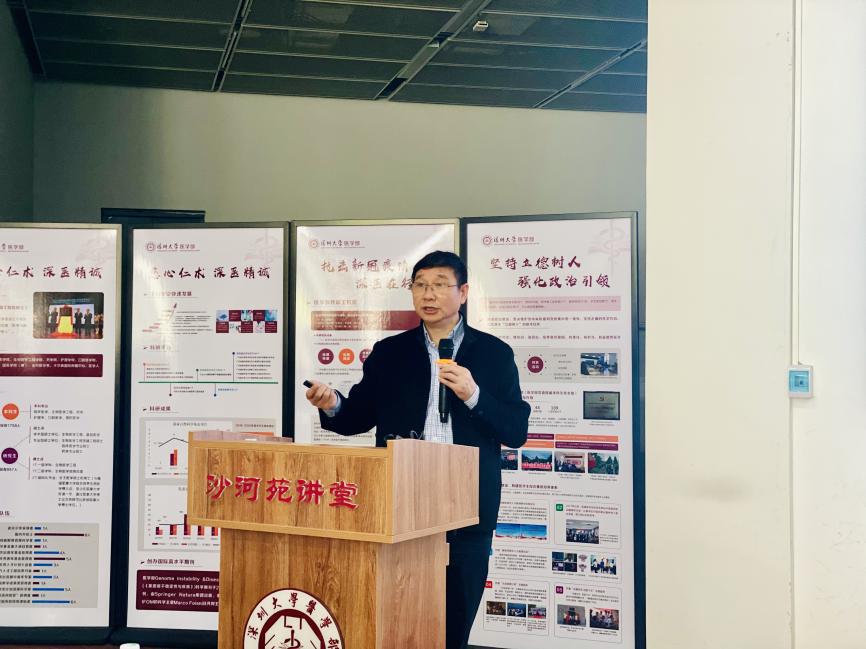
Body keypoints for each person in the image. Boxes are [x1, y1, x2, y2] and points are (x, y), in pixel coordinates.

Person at [305, 250, 529, 649]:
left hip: (466, 506)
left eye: (440, 285)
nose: (429, 294)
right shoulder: (390, 353)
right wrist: (332, 403)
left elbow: (516, 430)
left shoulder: (494, 354)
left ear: (463, 293)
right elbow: (358, 416)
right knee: (396, 618)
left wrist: (473, 395)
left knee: (454, 624)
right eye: (420, 285)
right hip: (400, 501)